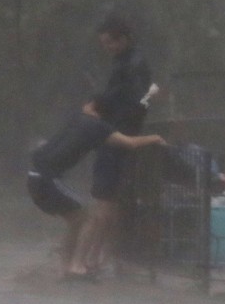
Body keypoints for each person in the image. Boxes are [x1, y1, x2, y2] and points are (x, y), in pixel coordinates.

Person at [27, 109, 165, 281]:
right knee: (88, 217)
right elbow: (130, 143)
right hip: (46, 179)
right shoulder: (98, 128)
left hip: (38, 178)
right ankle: (76, 267)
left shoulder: (82, 123)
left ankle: (67, 268)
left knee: (77, 220)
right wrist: (156, 138)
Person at [72, 15, 153, 278]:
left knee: (103, 202)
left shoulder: (132, 65)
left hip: (116, 136)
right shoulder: (128, 62)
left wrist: (97, 104)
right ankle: (101, 258)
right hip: (122, 134)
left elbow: (128, 98)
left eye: (110, 43)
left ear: (124, 39)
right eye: (104, 44)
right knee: (112, 203)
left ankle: (83, 261)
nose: (107, 48)